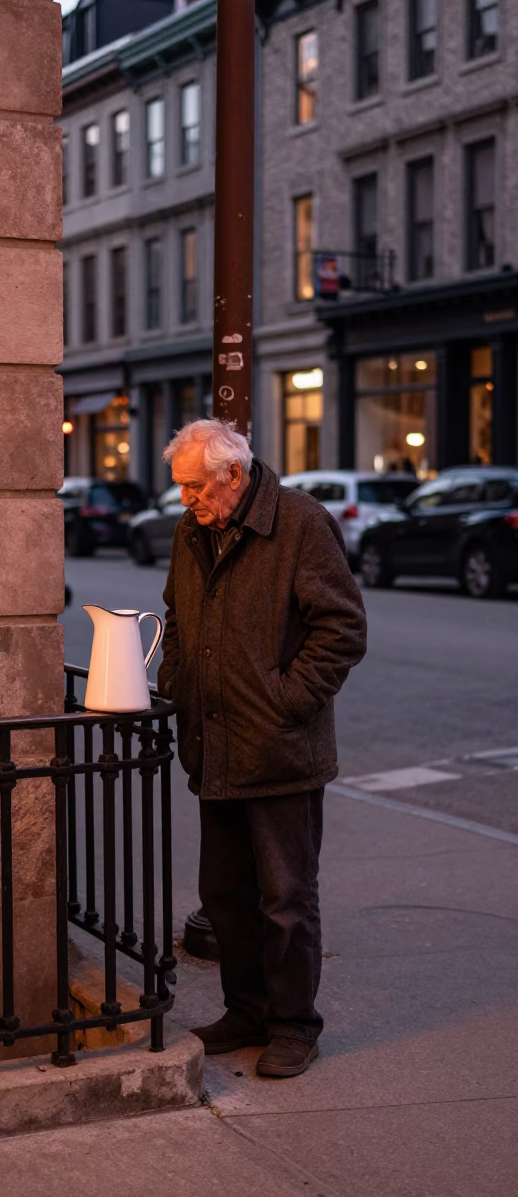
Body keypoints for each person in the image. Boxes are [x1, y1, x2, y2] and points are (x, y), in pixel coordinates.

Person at [158, 419, 367, 1078]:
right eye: (180, 488)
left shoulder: (300, 524)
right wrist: (176, 683)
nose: (185, 499)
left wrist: (286, 702)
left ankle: (293, 1026)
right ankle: (245, 1010)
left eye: (194, 486)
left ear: (234, 476)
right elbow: (178, 619)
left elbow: (343, 628)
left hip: (279, 752)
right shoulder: (192, 532)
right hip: (213, 744)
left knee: (285, 899)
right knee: (224, 895)